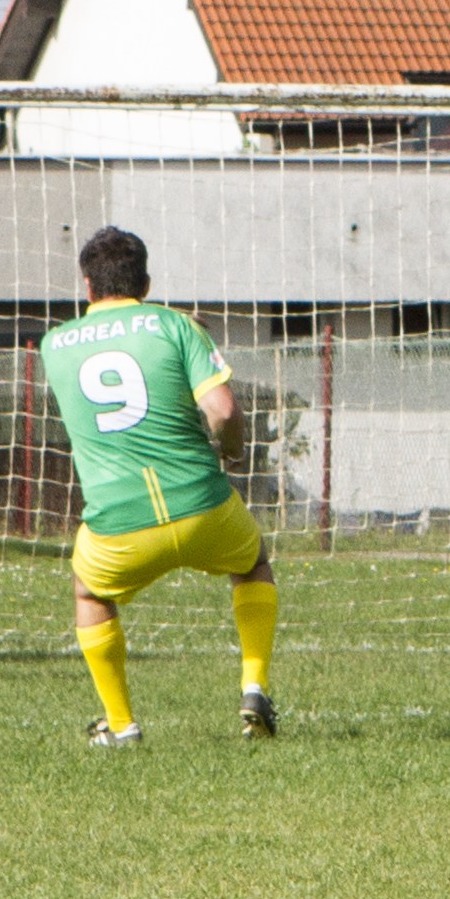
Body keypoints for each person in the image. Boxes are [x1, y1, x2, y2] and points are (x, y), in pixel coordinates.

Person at [40, 226, 277, 748]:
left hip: (119, 527)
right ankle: (254, 684)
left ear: (86, 286)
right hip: (202, 507)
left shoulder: (53, 345)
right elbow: (224, 411)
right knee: (253, 561)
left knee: (89, 591)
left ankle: (121, 725)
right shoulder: (176, 326)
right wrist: (233, 450)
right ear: (145, 281)